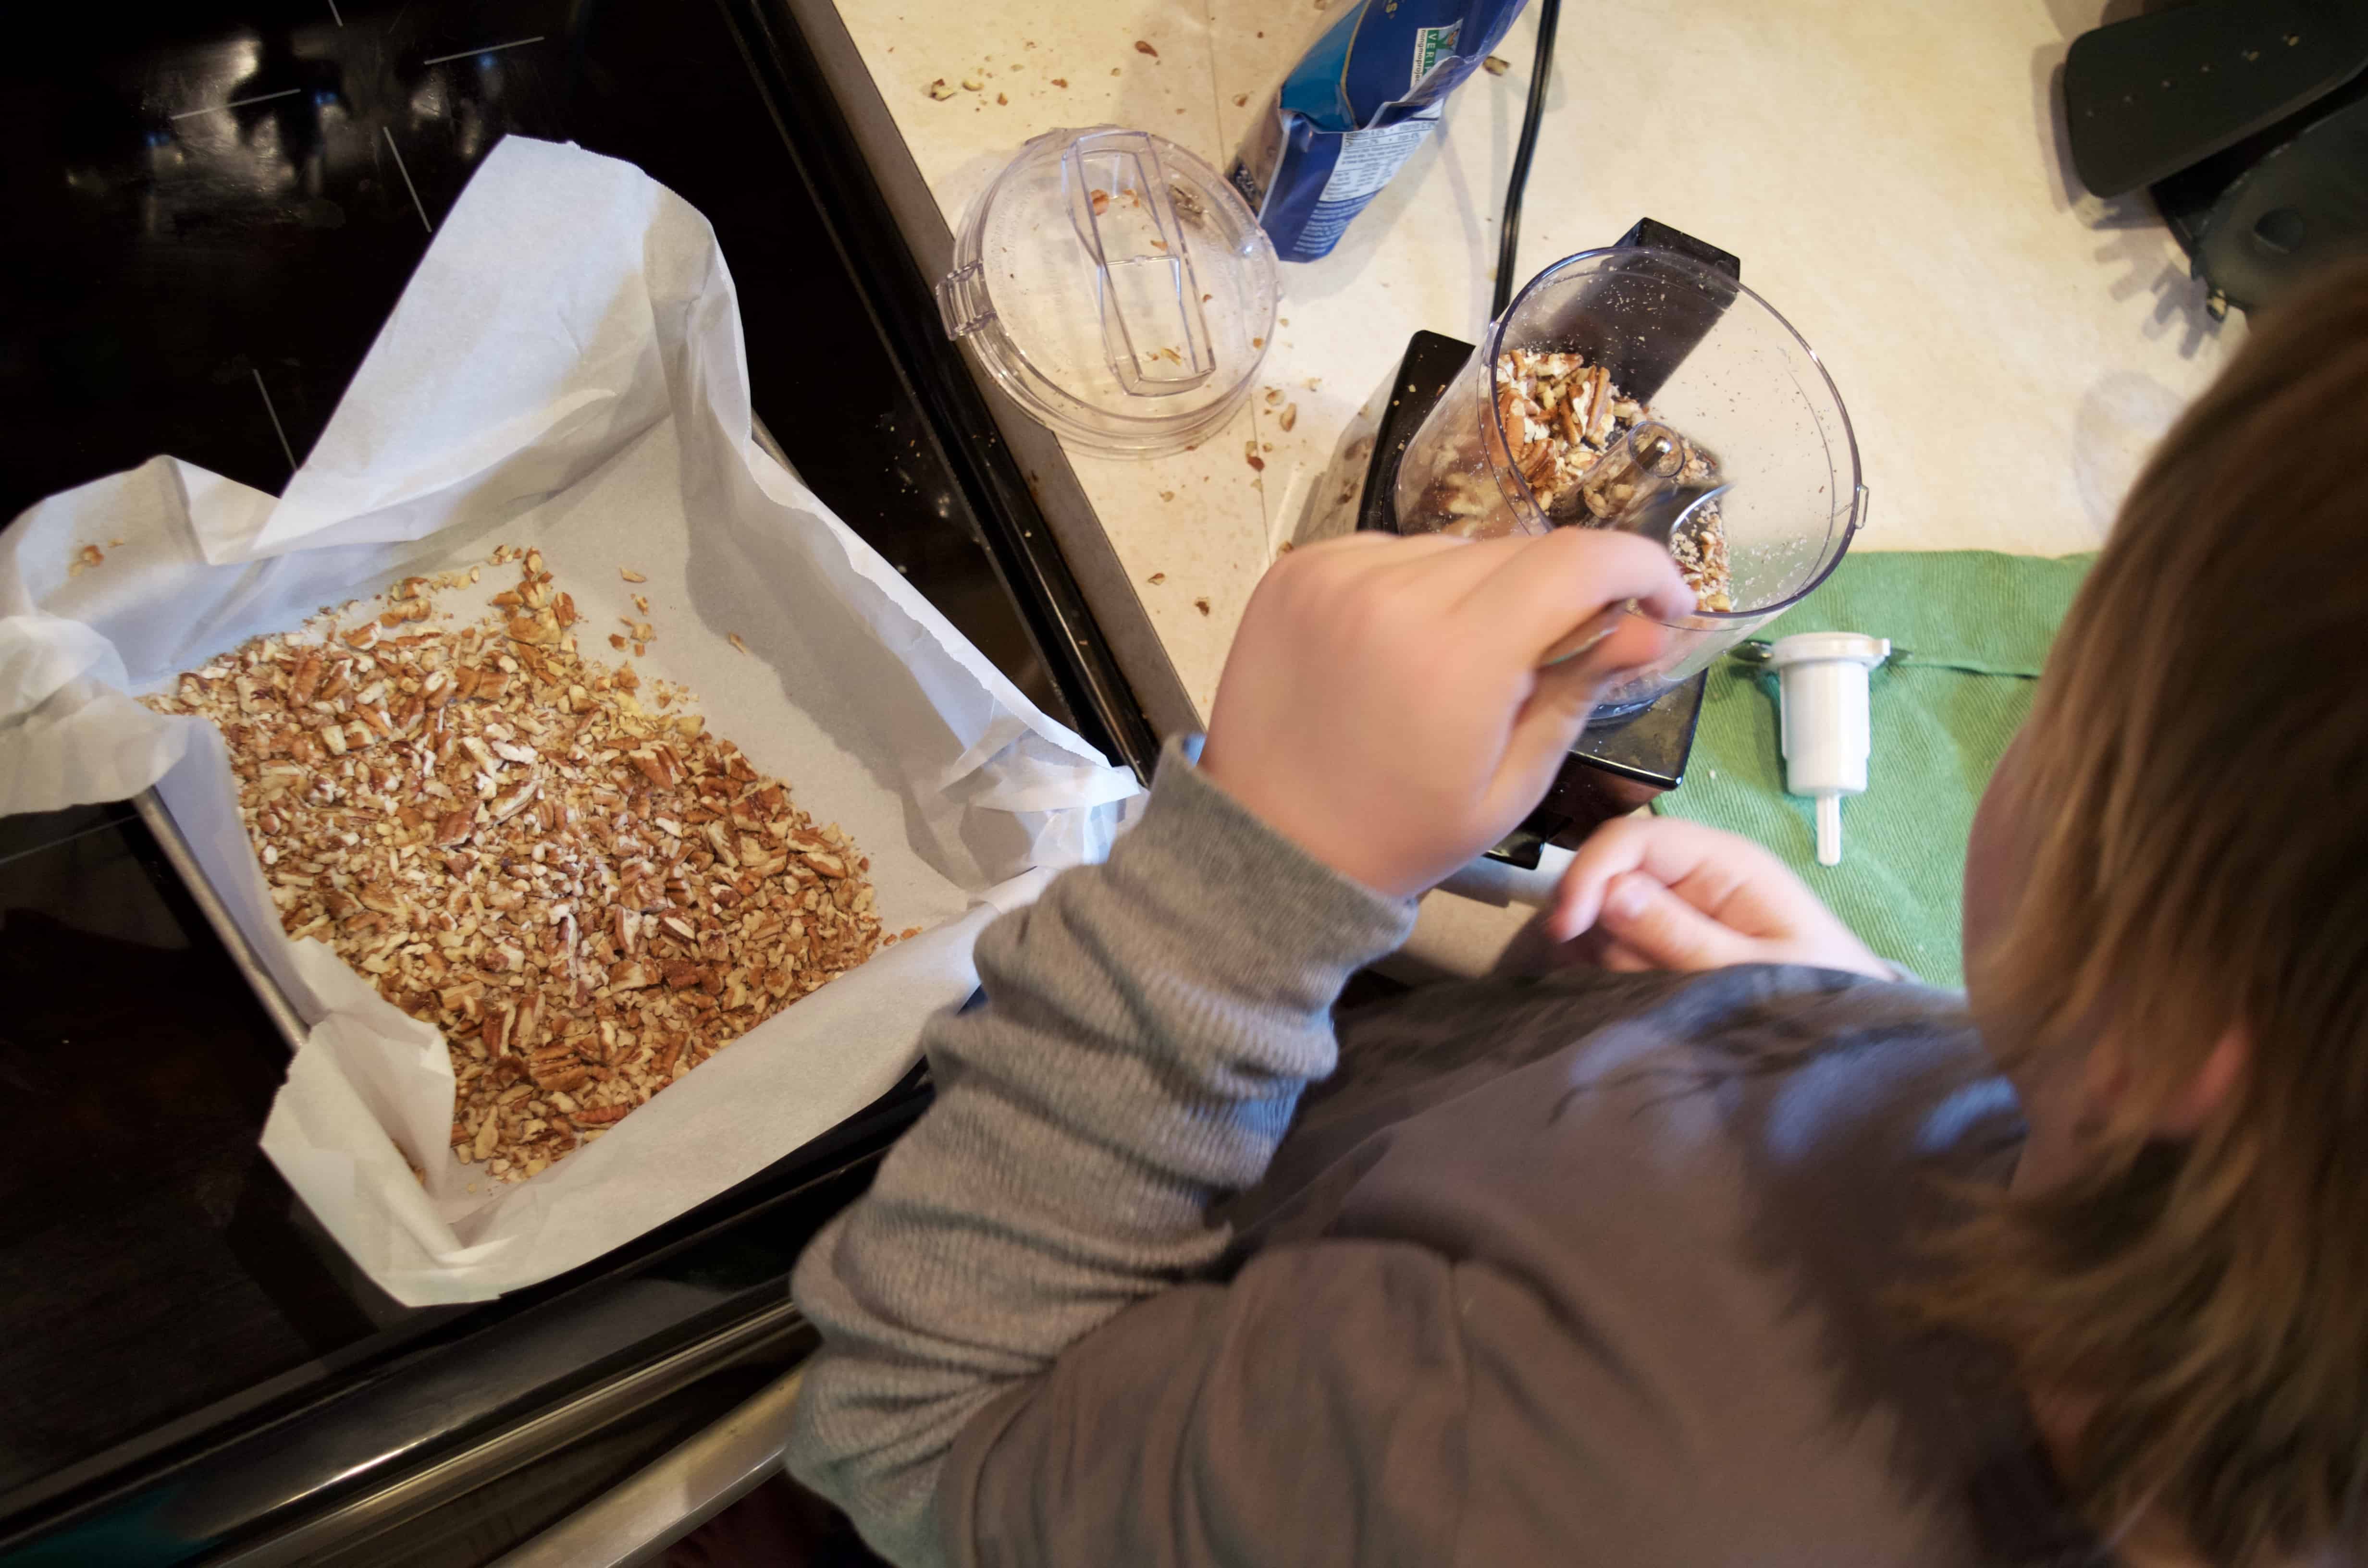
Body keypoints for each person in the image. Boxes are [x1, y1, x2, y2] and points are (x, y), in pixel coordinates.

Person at [784, 258, 2368, 1568]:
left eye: (2086, 691)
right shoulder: (2190, 1205)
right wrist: (1855, 1016)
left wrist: (1252, 876)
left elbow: (918, 1434)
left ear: (2181, 1039)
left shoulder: (1533, 1463)